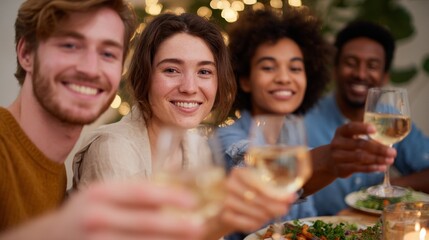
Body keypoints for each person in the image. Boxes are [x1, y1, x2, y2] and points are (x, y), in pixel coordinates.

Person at [72, 12, 296, 240]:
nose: (190, 87)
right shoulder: (114, 150)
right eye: (171, 70)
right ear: (145, 75)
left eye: (204, 72)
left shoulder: (197, 145)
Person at [0, 1, 211, 239]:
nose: (91, 69)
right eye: (70, 46)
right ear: (26, 53)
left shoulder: (50, 167)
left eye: (108, 53)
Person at [216, 8, 395, 239]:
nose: (284, 77)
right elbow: (253, 169)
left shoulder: (296, 135)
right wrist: (329, 159)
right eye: (268, 67)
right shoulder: (224, 138)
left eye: (295, 68)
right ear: (245, 80)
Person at [304, 20, 429, 215]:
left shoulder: (393, 117)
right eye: (350, 63)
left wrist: (391, 185)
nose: (360, 74)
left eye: (372, 65)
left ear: (385, 75)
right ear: (335, 70)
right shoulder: (304, 117)